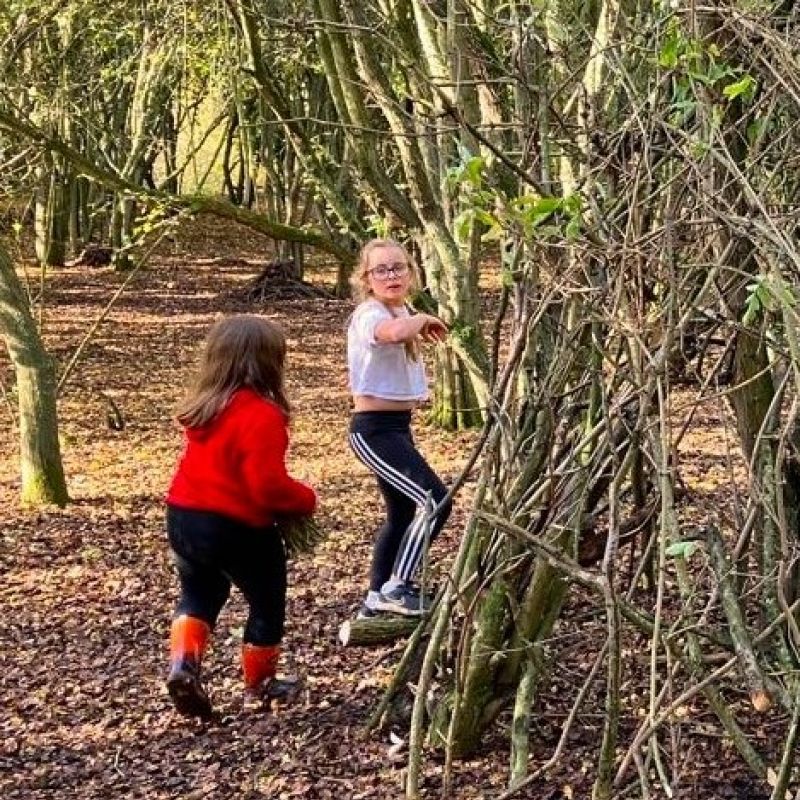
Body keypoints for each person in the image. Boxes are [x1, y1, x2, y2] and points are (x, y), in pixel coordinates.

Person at [164, 314, 317, 719]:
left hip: (183, 517)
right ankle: (260, 685)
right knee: (267, 601)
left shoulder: (205, 407)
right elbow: (266, 486)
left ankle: (183, 667)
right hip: (235, 526)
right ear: (268, 362)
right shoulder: (261, 415)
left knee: (199, 594)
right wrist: (305, 499)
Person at [347, 239, 453, 618]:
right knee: (435, 501)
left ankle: (376, 597)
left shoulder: (401, 310)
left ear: (411, 272)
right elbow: (389, 334)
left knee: (403, 513)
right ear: (367, 279)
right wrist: (423, 319)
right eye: (381, 270)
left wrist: (417, 318)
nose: (391, 275)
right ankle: (397, 586)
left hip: (396, 428)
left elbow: (402, 328)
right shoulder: (369, 314)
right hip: (372, 432)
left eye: (398, 268)